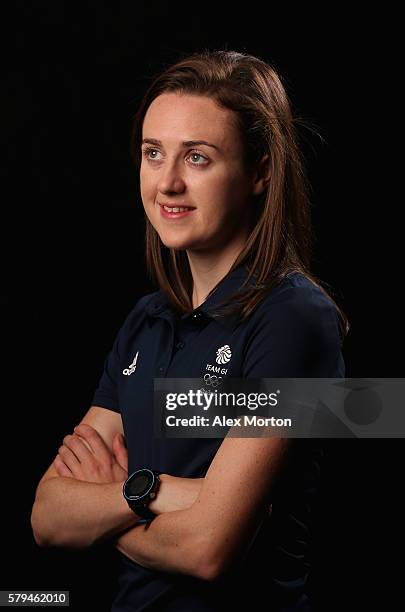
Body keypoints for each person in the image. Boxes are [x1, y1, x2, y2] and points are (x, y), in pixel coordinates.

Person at [31, 49, 348, 611]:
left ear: (261, 170)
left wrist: (119, 494)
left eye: (197, 158)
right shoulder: (145, 321)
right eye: (154, 154)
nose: (167, 183)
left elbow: (209, 548)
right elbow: (49, 516)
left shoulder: (296, 319)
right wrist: (166, 495)